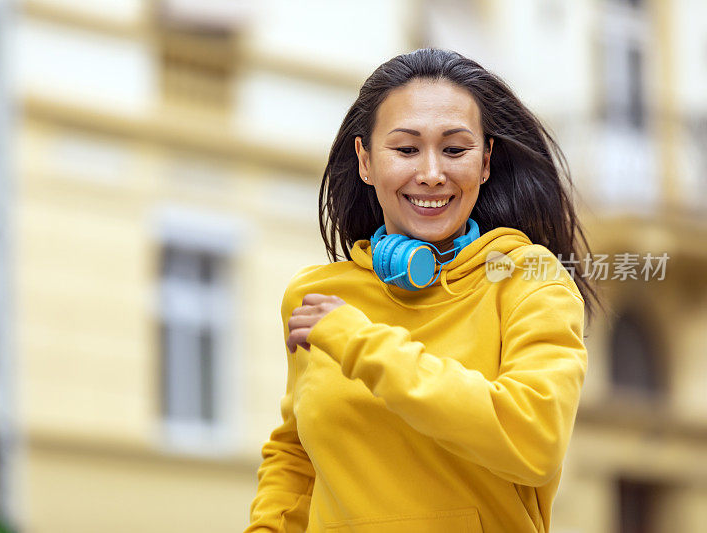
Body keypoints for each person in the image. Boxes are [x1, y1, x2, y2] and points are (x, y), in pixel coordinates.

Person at [244, 48, 601, 533]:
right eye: (406, 150)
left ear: (485, 162)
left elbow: (532, 440)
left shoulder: (528, 280)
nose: (432, 172)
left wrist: (360, 344)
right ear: (365, 161)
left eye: (454, 150)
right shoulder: (319, 296)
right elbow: (297, 457)